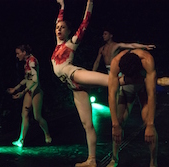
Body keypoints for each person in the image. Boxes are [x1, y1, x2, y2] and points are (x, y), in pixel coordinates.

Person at [51, 0, 126, 166]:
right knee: (87, 124)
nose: (59, 29)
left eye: (63, 27)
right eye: (57, 27)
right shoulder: (58, 45)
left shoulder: (71, 43)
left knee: (112, 81)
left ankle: (137, 79)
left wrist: (90, 4)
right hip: (73, 87)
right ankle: (91, 160)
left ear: (69, 31)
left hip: (76, 75)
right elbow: (58, 20)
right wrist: (62, 6)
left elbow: (85, 23)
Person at [107, 49, 158, 167]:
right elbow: (111, 94)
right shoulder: (116, 63)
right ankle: (114, 159)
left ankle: (153, 163)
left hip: (143, 88)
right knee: (119, 121)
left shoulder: (147, 60)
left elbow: (152, 94)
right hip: (126, 89)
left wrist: (150, 125)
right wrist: (115, 125)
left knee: (148, 120)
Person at [7, 44, 52, 147]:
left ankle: (47, 133)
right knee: (25, 115)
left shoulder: (32, 61)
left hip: (36, 91)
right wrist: (16, 88)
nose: (17, 56)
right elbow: (27, 79)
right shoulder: (26, 63)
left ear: (24, 52)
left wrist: (22, 92)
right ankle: (21, 139)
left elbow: (35, 81)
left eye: (18, 53)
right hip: (29, 91)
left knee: (37, 117)